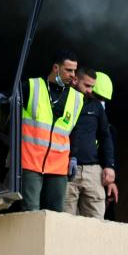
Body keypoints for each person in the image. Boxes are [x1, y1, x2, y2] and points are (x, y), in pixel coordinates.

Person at [20, 50, 84, 212]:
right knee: (31, 211)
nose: (73, 75)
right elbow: (8, 99)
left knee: (55, 214)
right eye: (68, 70)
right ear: (56, 68)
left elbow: (75, 131)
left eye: (74, 70)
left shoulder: (77, 98)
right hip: (31, 162)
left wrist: (73, 157)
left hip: (58, 166)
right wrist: (0, 98)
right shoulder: (32, 86)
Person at [65, 68, 118, 219]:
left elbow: (105, 137)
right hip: (65, 167)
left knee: (96, 221)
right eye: (87, 86)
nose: (89, 91)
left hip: (93, 170)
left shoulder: (96, 106)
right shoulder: (63, 99)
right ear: (76, 81)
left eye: (92, 88)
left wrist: (109, 166)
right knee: (65, 220)